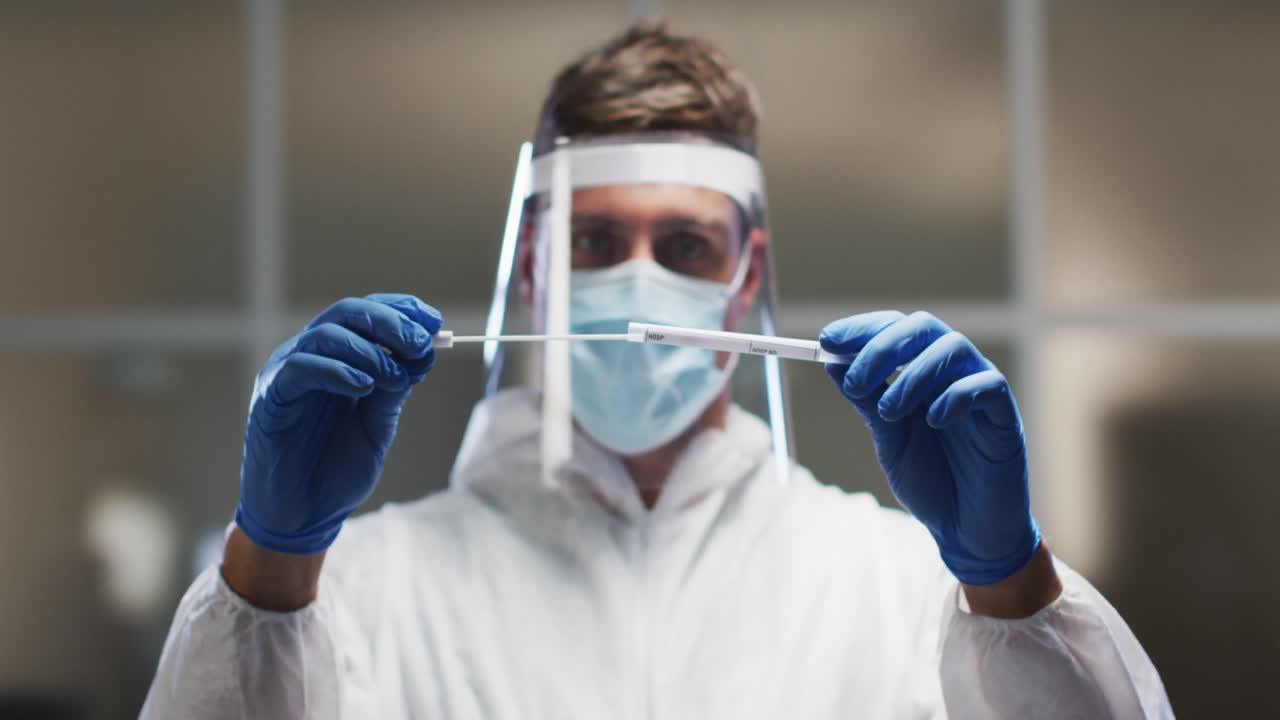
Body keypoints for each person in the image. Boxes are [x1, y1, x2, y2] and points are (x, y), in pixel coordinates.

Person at [142, 23, 1171, 719]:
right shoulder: (362, 590)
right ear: (536, 263)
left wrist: (1008, 587)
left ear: (745, 275)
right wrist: (270, 571)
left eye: (682, 249)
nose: (636, 288)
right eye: (595, 243)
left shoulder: (893, 588)